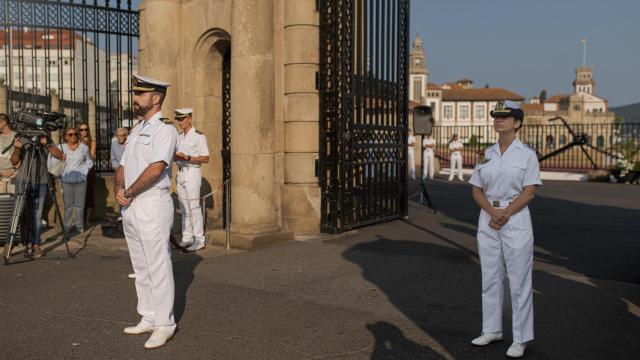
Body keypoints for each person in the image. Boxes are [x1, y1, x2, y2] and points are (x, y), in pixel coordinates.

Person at [468, 100, 541, 358]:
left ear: (517, 122)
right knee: (490, 276)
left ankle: (520, 338)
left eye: (505, 117)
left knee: (519, 280)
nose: (499, 120)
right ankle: (492, 330)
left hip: (516, 218)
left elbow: (529, 191)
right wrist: (492, 212)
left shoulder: (527, 154)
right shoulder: (485, 153)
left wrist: (505, 214)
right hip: (488, 217)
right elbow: (476, 189)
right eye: (496, 116)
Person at [116, 74, 177, 349]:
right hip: (131, 205)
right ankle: (148, 316)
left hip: (152, 202)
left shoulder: (165, 129)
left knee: (158, 265)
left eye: (140, 94)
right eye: (136, 94)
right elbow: (123, 165)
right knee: (140, 266)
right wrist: (120, 188)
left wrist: (128, 192)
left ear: (155, 98)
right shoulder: (137, 129)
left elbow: (156, 168)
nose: (135, 98)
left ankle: (165, 323)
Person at [10, 132, 64, 257]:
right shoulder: (22, 137)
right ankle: (9, 244)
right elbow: (13, 162)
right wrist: (17, 149)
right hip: (23, 180)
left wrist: (47, 145)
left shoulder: (45, 139)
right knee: (17, 212)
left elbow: (60, 156)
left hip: (41, 181)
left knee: (38, 214)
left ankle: (36, 244)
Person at [174, 108, 210, 252]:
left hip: (192, 172)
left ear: (189, 118)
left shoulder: (198, 136)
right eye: (178, 119)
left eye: (182, 118)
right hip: (181, 172)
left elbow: (206, 157)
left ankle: (199, 239)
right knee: (183, 207)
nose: (180, 122)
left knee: (194, 207)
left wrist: (188, 157)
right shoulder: (179, 136)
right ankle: (187, 237)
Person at [58, 126, 93, 233]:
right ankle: (67, 225)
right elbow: (53, 161)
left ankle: (79, 225)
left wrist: (84, 171)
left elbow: (89, 161)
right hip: (66, 180)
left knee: (80, 204)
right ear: (65, 137)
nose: (73, 136)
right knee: (68, 205)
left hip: (80, 180)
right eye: (70, 134)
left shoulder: (84, 148)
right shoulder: (61, 147)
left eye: (75, 134)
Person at [78, 122, 96, 225]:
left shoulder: (92, 141)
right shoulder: (75, 141)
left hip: (89, 171)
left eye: (85, 129)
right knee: (80, 196)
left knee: (89, 195)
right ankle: (80, 220)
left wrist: (84, 146)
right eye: (81, 129)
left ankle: (88, 220)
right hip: (79, 170)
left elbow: (91, 157)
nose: (84, 131)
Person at [0, 114, 17, 193]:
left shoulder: (16, 136)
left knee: (13, 203)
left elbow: (22, 156)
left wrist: (13, 170)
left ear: (4, 122)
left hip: (14, 176)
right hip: (1, 178)